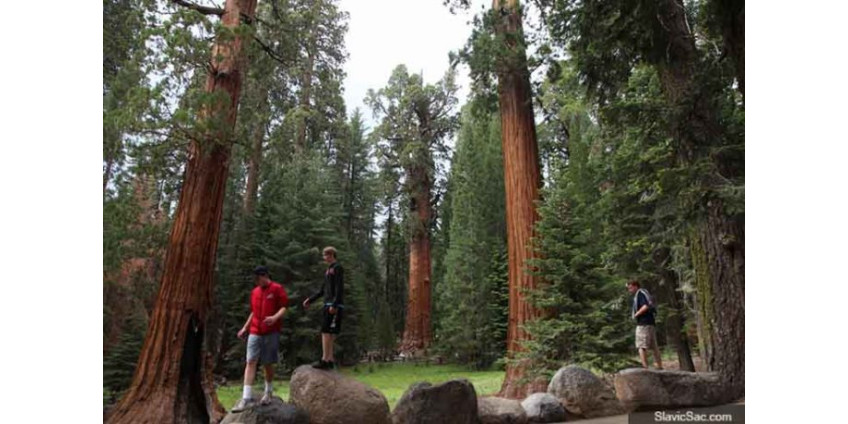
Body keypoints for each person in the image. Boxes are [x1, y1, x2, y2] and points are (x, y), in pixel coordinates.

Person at [231, 266, 289, 412]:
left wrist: (275, 318)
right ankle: (246, 398)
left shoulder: (277, 288)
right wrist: (245, 328)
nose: (256, 282)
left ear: (265, 276)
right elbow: (253, 312)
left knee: (267, 363)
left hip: (271, 332)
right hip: (255, 331)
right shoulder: (255, 292)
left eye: (258, 278)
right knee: (250, 361)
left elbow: (284, 307)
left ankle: (268, 391)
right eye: (255, 279)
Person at [302, 246, 344, 370]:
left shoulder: (337, 268)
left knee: (327, 332)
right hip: (327, 304)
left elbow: (339, 287)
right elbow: (322, 290)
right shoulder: (328, 270)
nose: (324, 257)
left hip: (334, 305)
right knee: (328, 332)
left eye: (325, 255)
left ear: (331, 255)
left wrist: (335, 304)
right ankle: (329, 359)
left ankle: (325, 359)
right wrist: (310, 300)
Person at [627, 280, 663, 369]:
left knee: (641, 345)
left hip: (643, 323)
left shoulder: (640, 294)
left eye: (630, 288)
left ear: (636, 286)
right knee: (654, 346)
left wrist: (636, 314)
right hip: (650, 323)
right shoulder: (644, 292)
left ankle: (645, 367)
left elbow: (645, 306)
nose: (629, 290)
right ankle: (659, 366)